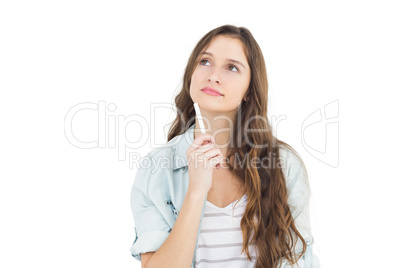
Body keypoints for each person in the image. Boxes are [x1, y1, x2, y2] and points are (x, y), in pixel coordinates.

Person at [129, 24, 320, 268]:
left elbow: (296, 260)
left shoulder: (284, 165)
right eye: (205, 62)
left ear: (249, 91)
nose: (213, 75)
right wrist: (196, 191)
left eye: (231, 67)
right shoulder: (156, 169)